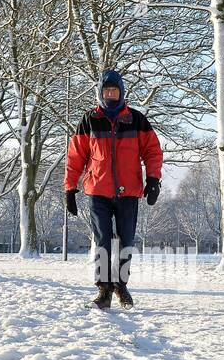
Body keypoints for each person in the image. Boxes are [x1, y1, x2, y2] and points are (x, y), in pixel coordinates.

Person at [65, 70, 162, 310]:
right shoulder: (89, 120)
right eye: (106, 91)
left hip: (128, 192)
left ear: (121, 93)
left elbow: (152, 151)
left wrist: (153, 179)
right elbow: (76, 155)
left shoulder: (136, 120)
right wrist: (70, 187)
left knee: (126, 241)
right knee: (103, 241)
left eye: (114, 91)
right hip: (98, 191)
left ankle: (121, 285)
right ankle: (104, 290)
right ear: (100, 93)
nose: (110, 95)